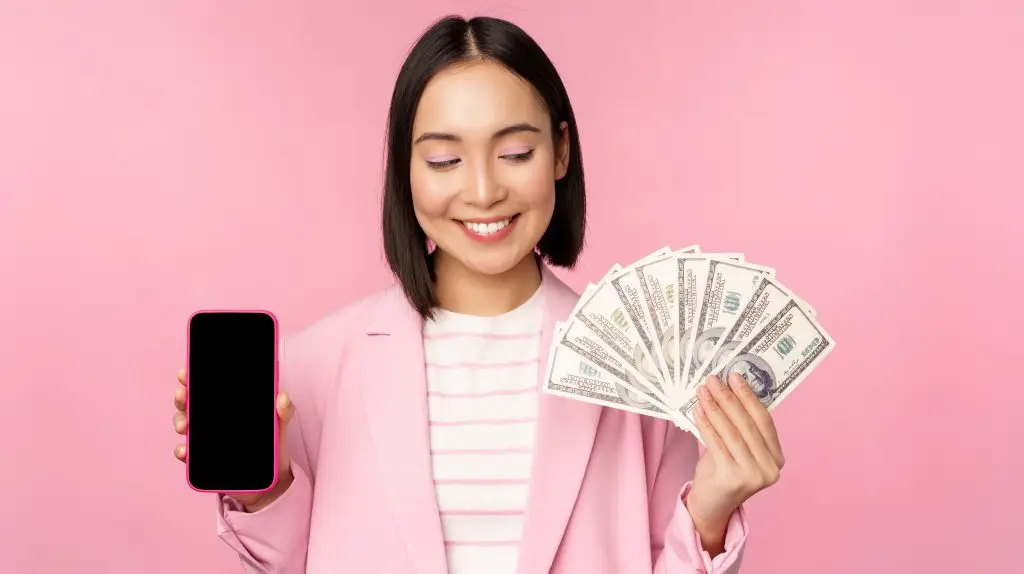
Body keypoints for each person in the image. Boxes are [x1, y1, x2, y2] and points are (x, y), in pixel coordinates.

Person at [171, 14, 786, 574]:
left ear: (561, 152)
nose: (485, 189)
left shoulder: (642, 371)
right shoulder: (311, 369)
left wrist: (709, 514)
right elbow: (293, 563)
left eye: (516, 152)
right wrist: (263, 489)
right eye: (444, 161)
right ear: (404, 171)